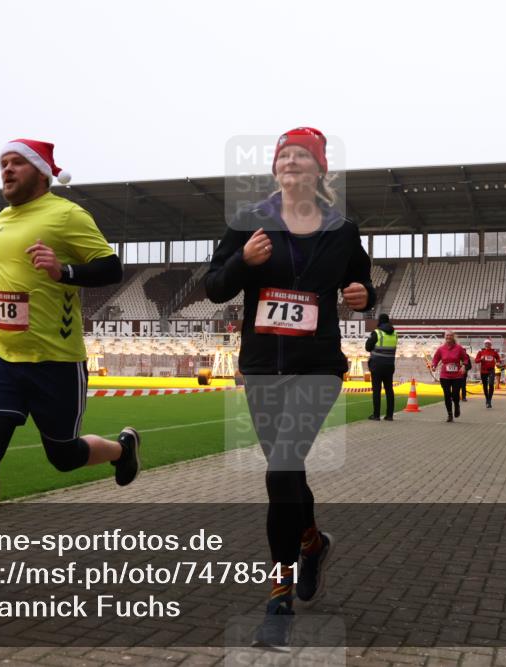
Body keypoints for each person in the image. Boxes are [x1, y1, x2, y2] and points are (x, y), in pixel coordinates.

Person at [0, 138, 141, 598]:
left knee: (63, 456)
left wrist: (64, 271)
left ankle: (122, 449)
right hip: (1, 358)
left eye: (15, 162)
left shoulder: (66, 215)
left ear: (41, 171)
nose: (6, 170)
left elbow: (111, 269)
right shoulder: (1, 219)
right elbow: (12, 286)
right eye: (1, 163)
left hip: (56, 364)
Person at [205, 127, 375, 649]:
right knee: (288, 473)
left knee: (280, 471)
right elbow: (214, 288)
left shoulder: (342, 230)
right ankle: (312, 541)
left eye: (302, 156)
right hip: (260, 369)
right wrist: (243, 262)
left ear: (320, 169)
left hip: (317, 368)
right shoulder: (249, 223)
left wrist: (362, 296)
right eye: (284, 155)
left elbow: (366, 287)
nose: (291, 162)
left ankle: (277, 600)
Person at [431, 330, 470, 422]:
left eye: (450, 335)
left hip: (457, 376)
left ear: (453, 337)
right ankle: (449, 414)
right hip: (445, 375)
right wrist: (433, 365)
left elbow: (465, 359)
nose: (448, 337)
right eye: (447, 335)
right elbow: (436, 359)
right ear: (445, 337)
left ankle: (457, 405)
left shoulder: (459, 348)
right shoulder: (441, 349)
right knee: (447, 395)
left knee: (455, 395)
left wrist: (464, 366)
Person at [365, 313, 396, 421]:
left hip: (377, 366)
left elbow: (367, 347)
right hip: (389, 365)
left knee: (377, 390)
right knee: (389, 390)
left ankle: (376, 415)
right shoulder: (395, 333)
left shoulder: (377, 333)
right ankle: (389, 415)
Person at [475, 339, 502, 408]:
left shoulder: (494, 352)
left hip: (491, 370)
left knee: (491, 384)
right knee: (485, 385)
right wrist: (481, 359)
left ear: (490, 344)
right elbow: (476, 360)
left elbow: (498, 358)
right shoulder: (481, 351)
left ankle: (489, 400)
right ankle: (487, 399)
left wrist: (498, 362)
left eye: (488, 343)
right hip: (483, 371)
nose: (487, 345)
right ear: (484, 344)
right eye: (486, 343)